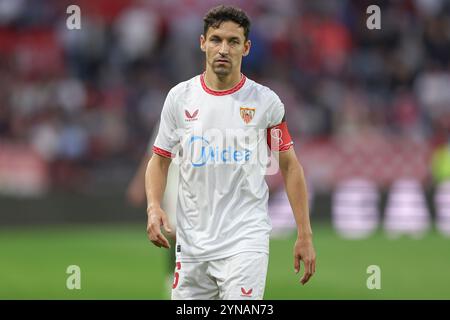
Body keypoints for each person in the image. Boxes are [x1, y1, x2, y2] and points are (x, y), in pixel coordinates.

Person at [145, 5, 315, 300]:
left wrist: (304, 234)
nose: (223, 49)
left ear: (246, 48)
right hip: (192, 243)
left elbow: (289, 166)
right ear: (203, 43)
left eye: (233, 42)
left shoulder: (266, 103)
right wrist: (153, 206)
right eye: (216, 40)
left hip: (245, 240)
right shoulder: (179, 98)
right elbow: (159, 160)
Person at [127, 121, 178, 295]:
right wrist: (138, 184)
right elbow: (153, 156)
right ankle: (174, 277)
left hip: (201, 183)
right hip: (175, 179)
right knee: (175, 232)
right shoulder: (172, 113)